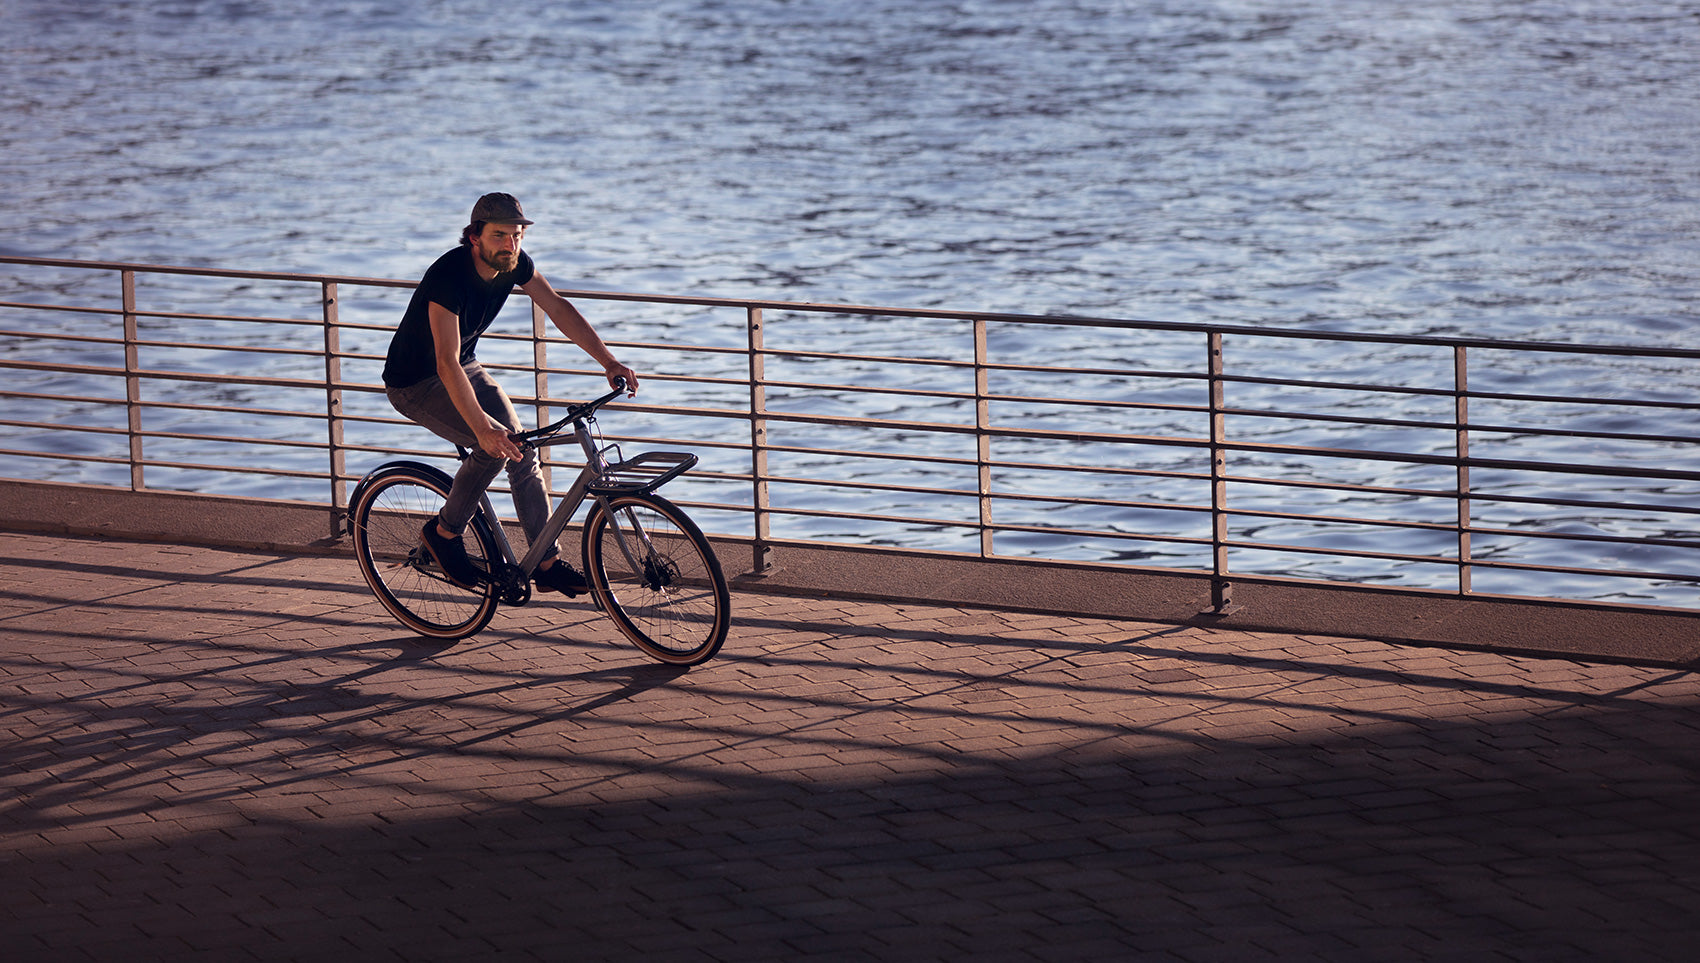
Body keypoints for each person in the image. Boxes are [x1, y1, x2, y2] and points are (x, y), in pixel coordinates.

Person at [382, 192, 639, 596]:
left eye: (517, 235)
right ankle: (444, 534)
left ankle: (545, 563)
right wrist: (483, 429)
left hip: (464, 366)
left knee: (522, 449)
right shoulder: (449, 276)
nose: (510, 244)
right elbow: (445, 362)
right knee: (493, 447)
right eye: (500, 235)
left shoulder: (514, 264)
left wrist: (608, 362)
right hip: (415, 382)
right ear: (474, 237)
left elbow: (557, 307)